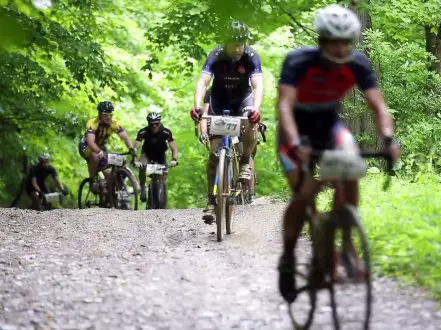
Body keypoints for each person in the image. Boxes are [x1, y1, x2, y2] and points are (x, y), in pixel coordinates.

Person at [275, 4, 401, 303]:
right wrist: (296, 143)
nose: (340, 48)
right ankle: (289, 257)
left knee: (351, 161)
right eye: (334, 41)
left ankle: (346, 241)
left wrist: (388, 138)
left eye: (346, 42)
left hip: (330, 126)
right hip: (296, 129)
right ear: (321, 40)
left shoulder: (357, 63)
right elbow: (284, 106)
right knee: (304, 195)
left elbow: (378, 106)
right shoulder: (298, 61)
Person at [191, 20, 263, 217]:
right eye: (234, 44)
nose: (238, 48)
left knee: (251, 119)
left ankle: (246, 162)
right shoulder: (216, 55)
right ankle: (212, 201)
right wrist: (197, 106)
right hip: (219, 101)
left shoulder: (251, 56)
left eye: (242, 44)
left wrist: (256, 109)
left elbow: (257, 86)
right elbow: (203, 82)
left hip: (242, 100)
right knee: (213, 156)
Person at [78, 101, 136, 191]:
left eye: (110, 114)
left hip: (100, 146)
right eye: (105, 114)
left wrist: (131, 148)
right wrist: (99, 152)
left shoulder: (113, 123)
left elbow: (125, 137)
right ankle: (93, 181)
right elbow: (91, 142)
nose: (108, 117)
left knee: (120, 162)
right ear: (100, 114)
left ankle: (114, 189)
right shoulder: (93, 123)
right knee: (95, 156)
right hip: (86, 147)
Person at [133, 111, 178, 202]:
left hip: (160, 155)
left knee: (164, 176)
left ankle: (163, 200)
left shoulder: (166, 132)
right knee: (142, 167)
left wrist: (174, 159)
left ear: (159, 122)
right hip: (147, 154)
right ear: (148, 123)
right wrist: (135, 160)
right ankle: (142, 189)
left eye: (156, 124)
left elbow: (174, 148)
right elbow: (136, 147)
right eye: (151, 124)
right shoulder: (143, 132)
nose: (154, 126)